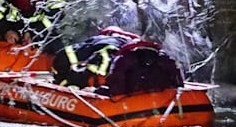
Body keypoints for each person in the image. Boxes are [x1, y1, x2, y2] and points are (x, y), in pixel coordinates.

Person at [51, 27, 184, 96]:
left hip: (107, 79)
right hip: (151, 93)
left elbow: (66, 55)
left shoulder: (100, 42)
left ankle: (71, 86)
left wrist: (61, 80)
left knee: (78, 77)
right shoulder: (135, 47)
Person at [50, 27, 139, 89]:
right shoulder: (122, 44)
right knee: (79, 77)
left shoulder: (99, 40)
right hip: (71, 61)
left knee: (71, 77)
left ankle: (65, 88)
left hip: (62, 56)